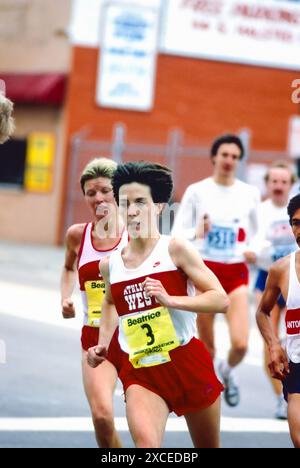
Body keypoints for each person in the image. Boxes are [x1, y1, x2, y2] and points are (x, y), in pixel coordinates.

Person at [87, 161, 229, 449]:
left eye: (141, 202)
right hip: (142, 372)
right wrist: (103, 343)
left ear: (159, 207)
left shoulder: (174, 249)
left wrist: (170, 299)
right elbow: (110, 303)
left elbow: (220, 299)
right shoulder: (110, 265)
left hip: (186, 361)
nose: (132, 210)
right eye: (125, 203)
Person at [172, 134, 260, 407]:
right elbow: (177, 234)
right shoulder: (197, 191)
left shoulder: (249, 193)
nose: (229, 161)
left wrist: (252, 248)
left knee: (242, 343)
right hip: (204, 271)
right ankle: (210, 400)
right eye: (225, 155)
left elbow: (258, 233)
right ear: (214, 157)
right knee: (207, 347)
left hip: (236, 272)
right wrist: (197, 231)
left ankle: (227, 370)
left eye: (235, 156)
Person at [60, 157, 128, 448]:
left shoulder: (137, 235)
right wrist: (65, 297)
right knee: (102, 417)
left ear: (118, 192)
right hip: (95, 336)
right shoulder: (78, 235)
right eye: (91, 192)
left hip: (135, 335)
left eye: (105, 190)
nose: (98, 197)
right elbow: (68, 268)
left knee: (146, 430)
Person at [254, 161, 298, 419]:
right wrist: (253, 251)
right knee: (269, 334)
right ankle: (280, 398)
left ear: (291, 184)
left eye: (284, 181)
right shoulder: (258, 211)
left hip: (296, 274)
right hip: (269, 275)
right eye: (275, 181)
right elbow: (245, 242)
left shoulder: (297, 205)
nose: (279, 185)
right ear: (268, 184)